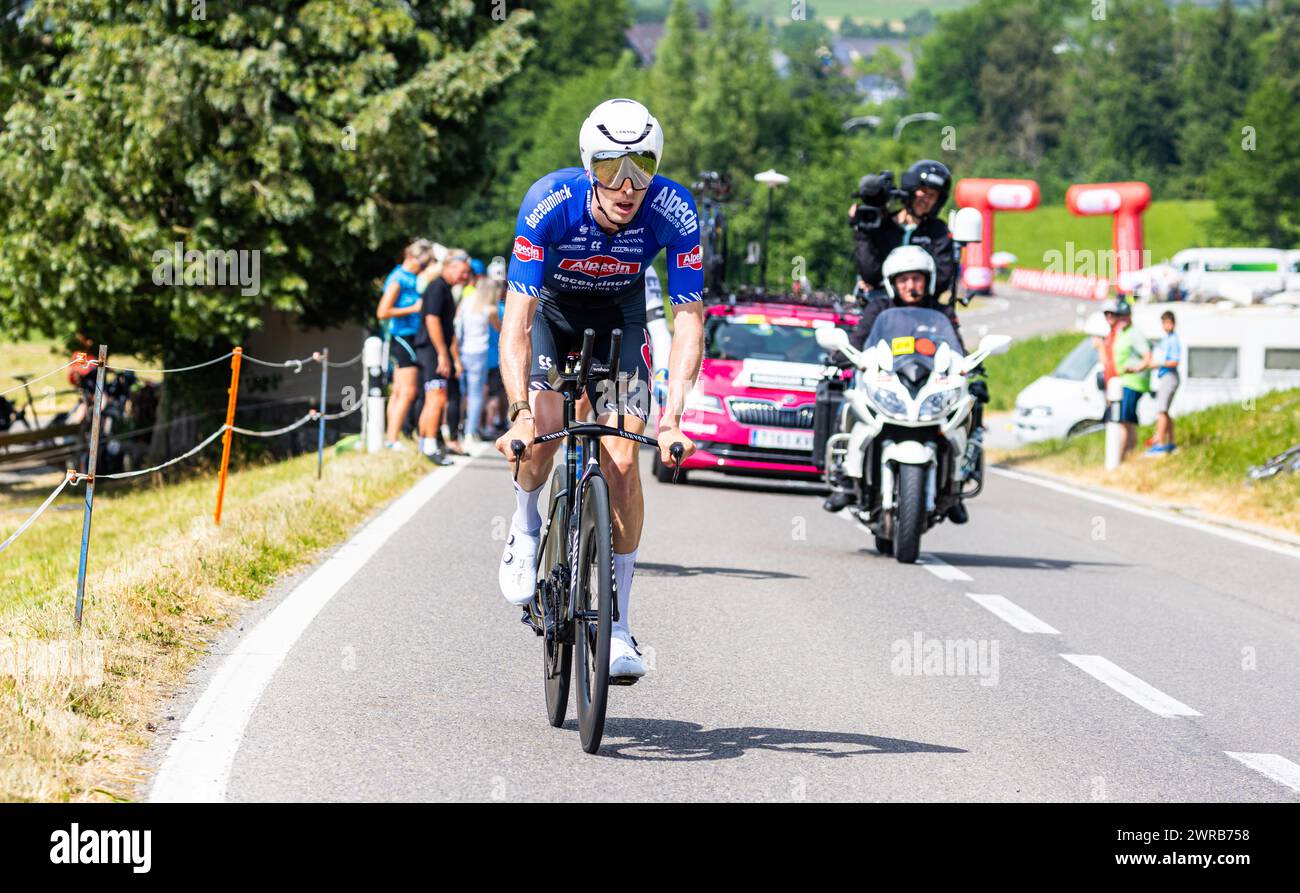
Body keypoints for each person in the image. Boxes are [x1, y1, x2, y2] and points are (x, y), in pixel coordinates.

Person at [495, 98, 705, 682]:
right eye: (613, 167)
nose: (628, 184)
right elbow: (516, 320)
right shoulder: (549, 202)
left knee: (622, 464)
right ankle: (525, 520)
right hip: (552, 316)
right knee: (539, 440)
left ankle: (617, 626)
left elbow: (689, 322)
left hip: (621, 318)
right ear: (589, 166)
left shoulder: (675, 209)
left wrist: (673, 418)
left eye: (643, 165)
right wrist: (517, 414)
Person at [850, 160, 961, 334]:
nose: (926, 199)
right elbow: (870, 274)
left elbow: (942, 279)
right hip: (880, 311)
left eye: (932, 195)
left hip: (924, 316)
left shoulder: (938, 231)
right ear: (911, 190)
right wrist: (862, 233)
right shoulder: (883, 226)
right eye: (923, 192)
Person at [416, 249, 471, 465]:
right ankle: (430, 446)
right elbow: (432, 320)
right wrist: (442, 354)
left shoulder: (447, 289)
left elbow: (450, 329)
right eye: (463, 272)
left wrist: (453, 357)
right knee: (437, 395)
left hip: (436, 349)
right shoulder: (437, 287)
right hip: (431, 348)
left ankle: (425, 443)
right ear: (450, 267)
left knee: (435, 396)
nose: (465, 277)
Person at [377, 239, 432, 449]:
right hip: (402, 336)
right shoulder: (398, 278)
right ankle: (392, 439)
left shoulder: (410, 277)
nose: (423, 269)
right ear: (411, 257)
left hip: (406, 336)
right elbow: (382, 312)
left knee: (399, 390)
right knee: (408, 391)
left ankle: (392, 436)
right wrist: (414, 308)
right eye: (422, 264)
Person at [458, 262, 501, 444]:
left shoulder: (466, 302)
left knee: (462, 392)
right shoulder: (489, 309)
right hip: (479, 351)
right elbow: (499, 328)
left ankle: (456, 426)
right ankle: (470, 430)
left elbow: (457, 324)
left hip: (462, 349)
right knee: (476, 394)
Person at [1103, 299, 1152, 460]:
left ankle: (1122, 456)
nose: (1122, 318)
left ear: (1130, 316)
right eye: (1120, 316)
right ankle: (1128, 454)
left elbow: (1147, 357)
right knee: (1126, 422)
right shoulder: (1122, 332)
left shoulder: (1135, 333)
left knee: (1124, 420)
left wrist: (1137, 368)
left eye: (1124, 315)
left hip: (1133, 382)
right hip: (1123, 381)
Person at [1147, 310, 1180, 455]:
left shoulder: (1173, 340)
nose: (1167, 325)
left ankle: (1160, 443)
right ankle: (1170, 442)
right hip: (1165, 376)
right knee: (1165, 411)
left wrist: (1159, 364)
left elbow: (1174, 361)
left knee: (1161, 411)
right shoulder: (1166, 339)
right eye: (1164, 322)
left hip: (1169, 376)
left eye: (1169, 322)